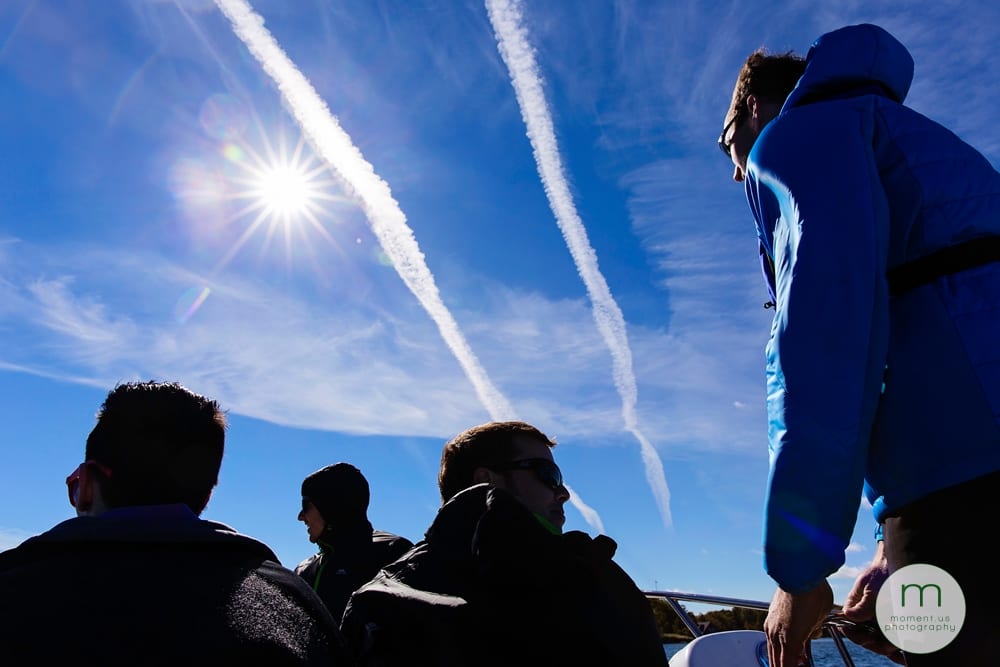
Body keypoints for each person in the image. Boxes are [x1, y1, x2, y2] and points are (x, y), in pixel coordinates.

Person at [718, 23, 1000, 667]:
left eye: (728, 143)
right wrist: (883, 548)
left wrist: (800, 572)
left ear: (753, 108)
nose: (736, 171)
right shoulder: (906, 137)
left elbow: (826, 340)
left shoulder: (801, 135)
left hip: (960, 479)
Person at [0, 381, 351, 666]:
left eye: (75, 488)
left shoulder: (14, 591)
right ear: (206, 495)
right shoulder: (294, 605)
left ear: (88, 484)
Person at [341, 421, 667, 666]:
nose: (563, 492)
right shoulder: (583, 577)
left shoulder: (377, 596)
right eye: (548, 474)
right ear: (486, 480)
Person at [294, 463, 413, 621]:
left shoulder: (394, 554)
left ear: (330, 507)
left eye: (305, 505)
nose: (300, 516)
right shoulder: (304, 571)